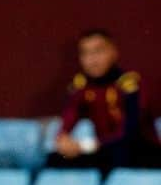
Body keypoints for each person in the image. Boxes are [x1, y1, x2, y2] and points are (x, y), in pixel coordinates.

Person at [48, 30, 161, 175]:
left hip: (138, 150)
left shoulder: (129, 84)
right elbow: (70, 114)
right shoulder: (81, 85)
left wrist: (86, 146)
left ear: (113, 52)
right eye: (85, 53)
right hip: (103, 151)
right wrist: (63, 139)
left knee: (120, 153)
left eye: (98, 51)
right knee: (54, 159)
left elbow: (129, 131)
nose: (92, 60)